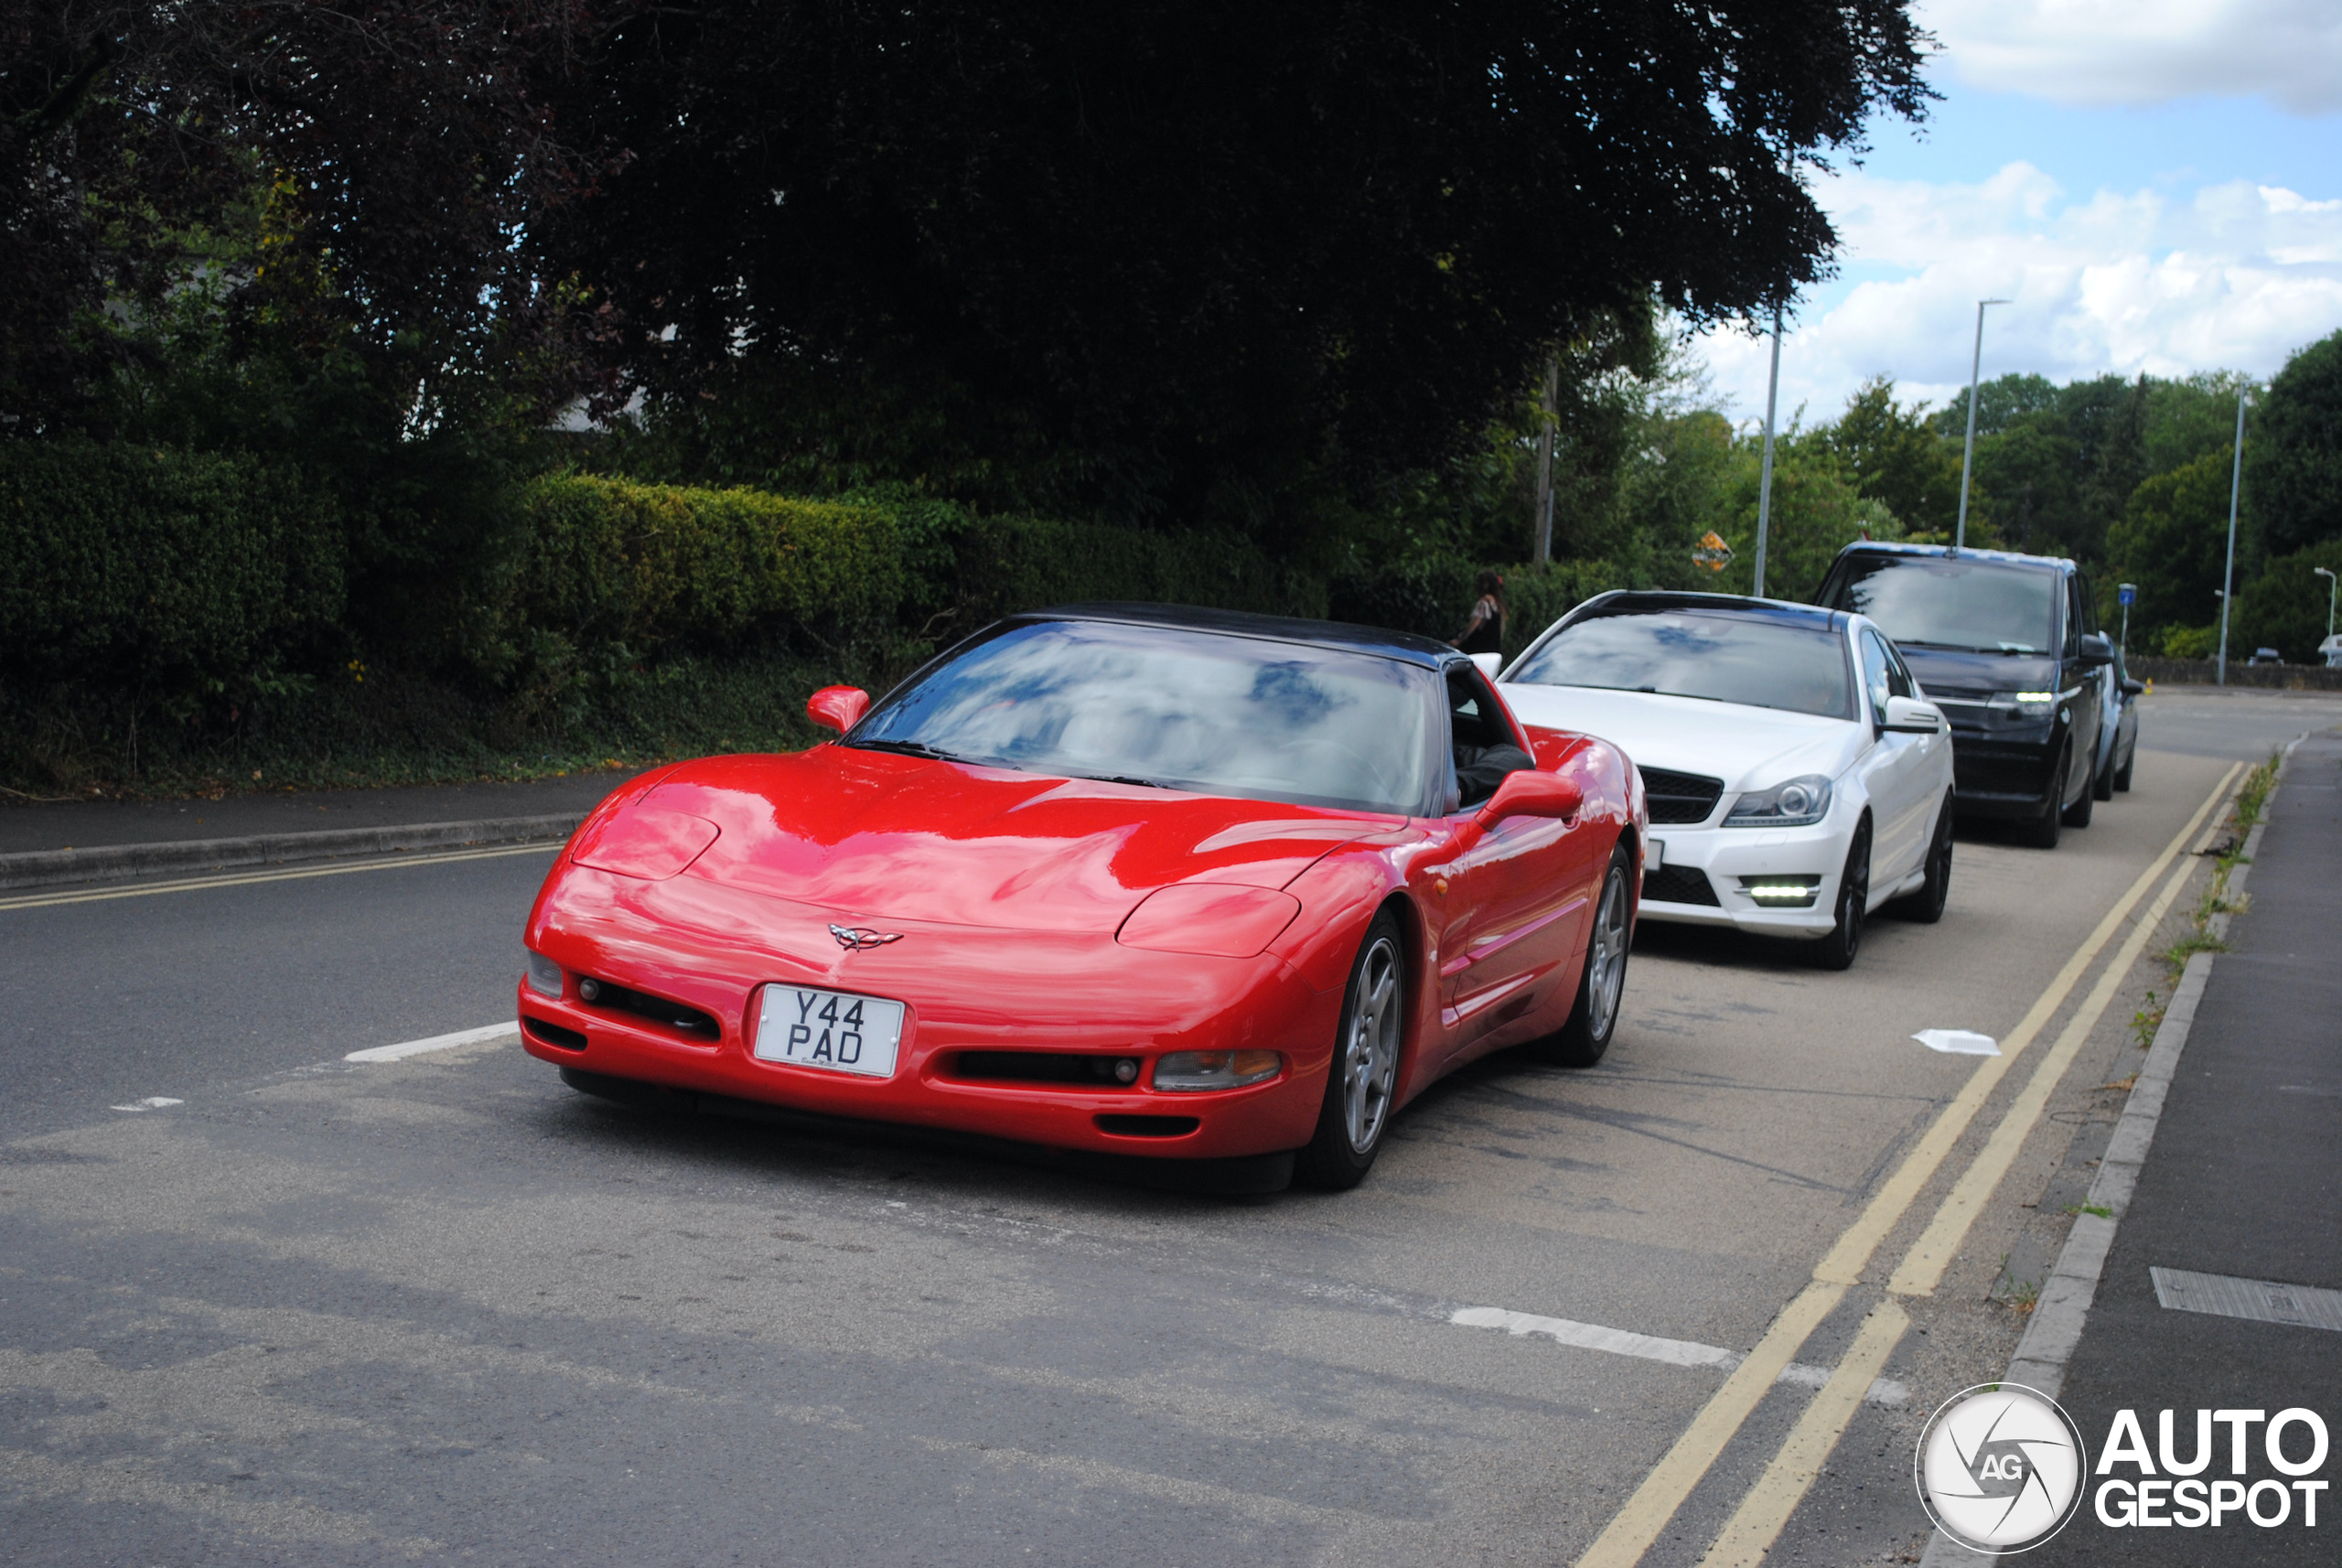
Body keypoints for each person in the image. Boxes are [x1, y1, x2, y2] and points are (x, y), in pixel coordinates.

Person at [1451, 570, 1506, 655]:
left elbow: (1474, 624)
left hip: (1478, 649)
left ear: (1485, 584)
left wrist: (1460, 640)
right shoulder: (1497, 604)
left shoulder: (1483, 603)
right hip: (1492, 651)